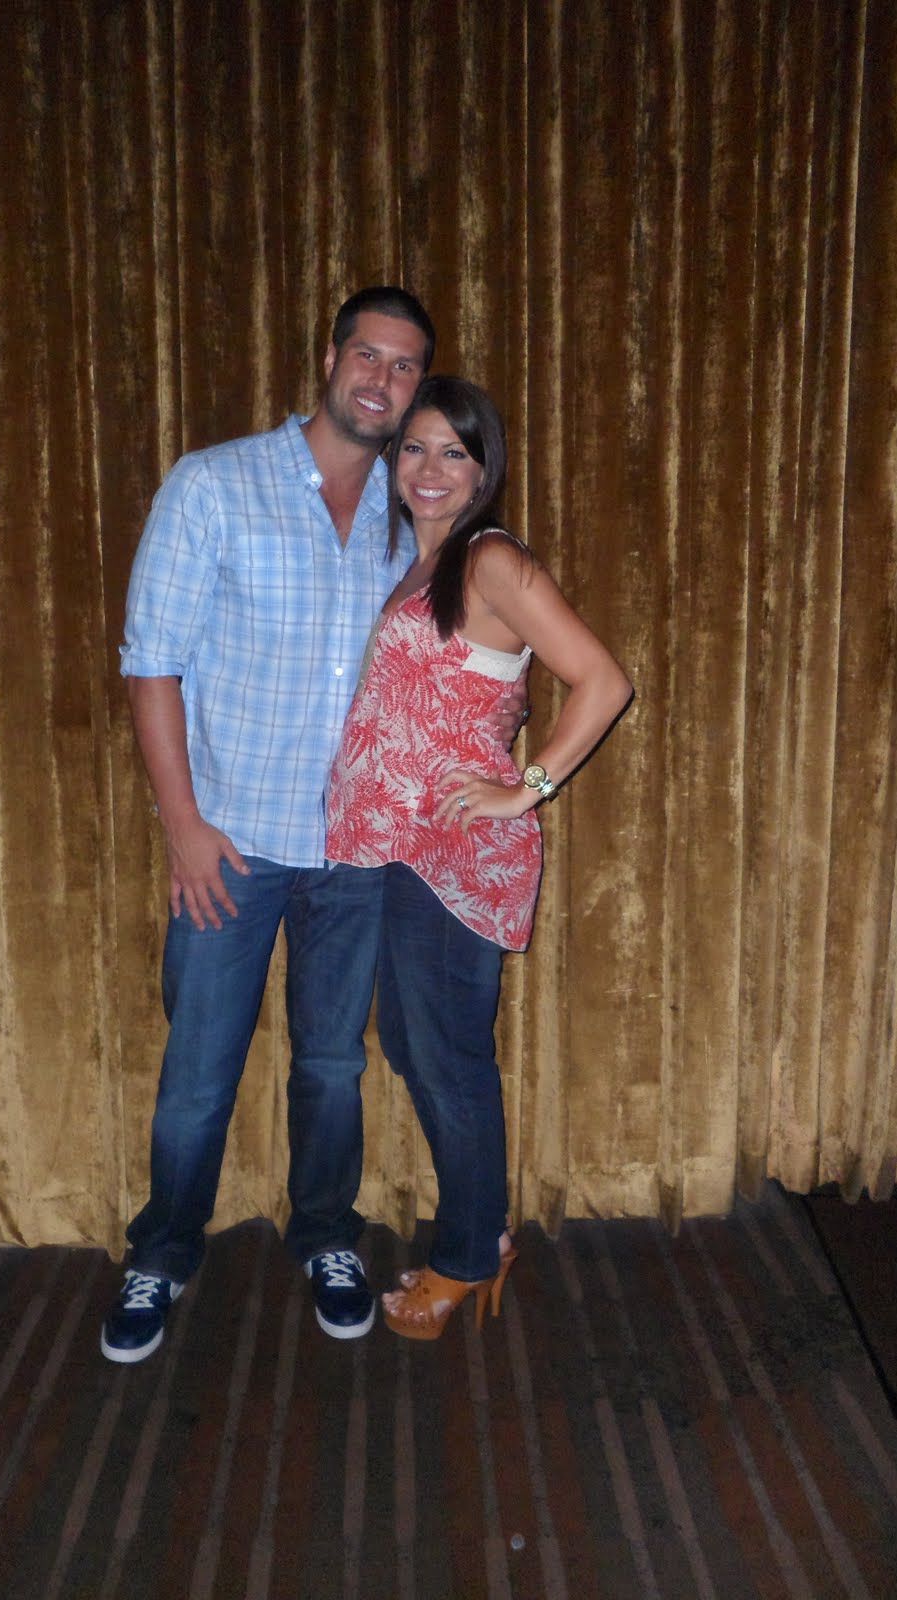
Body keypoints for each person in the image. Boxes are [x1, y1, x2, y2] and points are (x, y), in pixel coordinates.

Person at [102, 290, 522, 1363]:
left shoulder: (414, 509)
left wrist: (507, 758)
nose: (382, 379)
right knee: (200, 1071)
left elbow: (463, 661)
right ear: (329, 358)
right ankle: (162, 1252)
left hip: (356, 853)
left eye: (404, 365)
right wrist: (182, 825)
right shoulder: (214, 483)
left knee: (333, 1064)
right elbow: (151, 662)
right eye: (367, 355)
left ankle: (327, 1235)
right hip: (232, 844)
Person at [326, 375, 632, 1340]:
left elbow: (603, 681)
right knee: (417, 1044)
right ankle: (476, 1231)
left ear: (481, 468)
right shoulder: (410, 565)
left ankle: (469, 1253)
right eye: (415, 447)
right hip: (396, 846)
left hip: (456, 852)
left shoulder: (491, 559)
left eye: (453, 452)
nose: (430, 468)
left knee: (446, 1055)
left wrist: (525, 787)